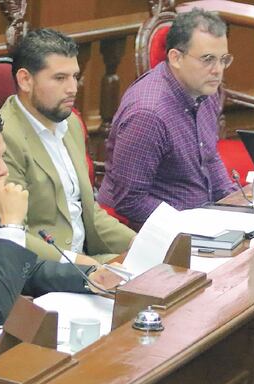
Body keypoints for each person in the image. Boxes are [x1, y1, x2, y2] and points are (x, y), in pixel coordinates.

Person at [0, 29, 136, 265]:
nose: (73, 88)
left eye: (75, 76)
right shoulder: (3, 137)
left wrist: (138, 243)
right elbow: (13, 233)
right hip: (45, 270)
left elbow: (87, 212)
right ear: (25, 80)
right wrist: (85, 265)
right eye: (60, 78)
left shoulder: (70, 123)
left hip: (89, 259)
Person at [97, 8, 235, 224]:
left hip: (202, 221)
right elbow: (130, 202)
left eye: (223, 59)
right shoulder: (148, 115)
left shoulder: (205, 89)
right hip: (151, 231)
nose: (218, 70)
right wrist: (189, 225)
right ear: (176, 58)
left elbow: (209, 156)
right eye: (208, 59)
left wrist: (232, 203)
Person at [0, 109, 100, 325]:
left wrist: (89, 277)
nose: (3, 171)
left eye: (2, 158)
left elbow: (26, 271)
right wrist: (12, 226)